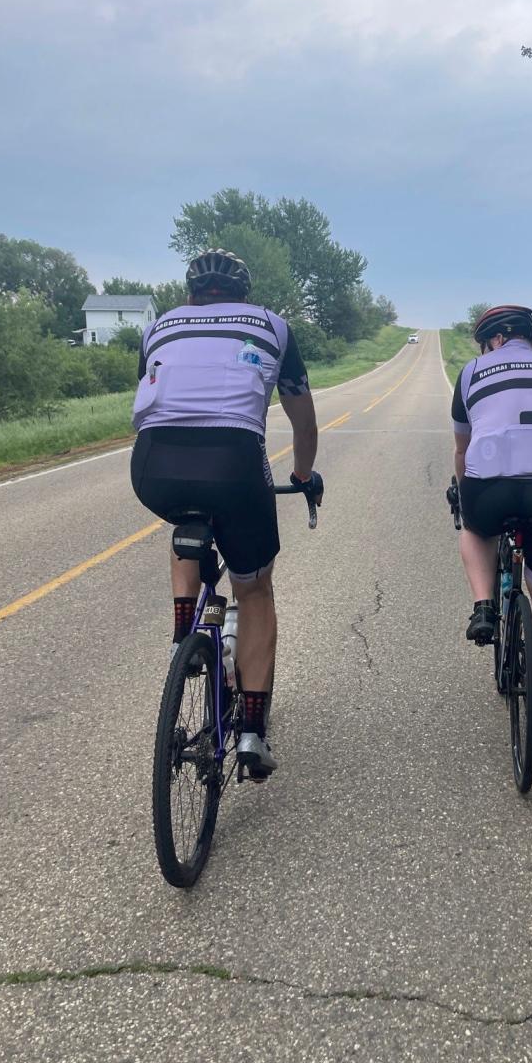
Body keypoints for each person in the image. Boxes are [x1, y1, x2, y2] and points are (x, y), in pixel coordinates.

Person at [131, 249, 322, 780]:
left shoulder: (160, 327)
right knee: (254, 589)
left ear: (190, 296)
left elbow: (151, 398)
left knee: (185, 523)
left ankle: (183, 637)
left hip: (153, 465)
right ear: (244, 294)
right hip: (235, 463)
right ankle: (252, 734)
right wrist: (303, 476)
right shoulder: (271, 326)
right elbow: (303, 425)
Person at [451, 304, 532, 721]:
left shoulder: (473, 371)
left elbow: (462, 446)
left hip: (491, 481)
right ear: (529, 337)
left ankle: (484, 606)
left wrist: (461, 491)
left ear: (492, 341)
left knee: (473, 529)